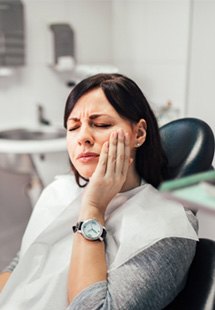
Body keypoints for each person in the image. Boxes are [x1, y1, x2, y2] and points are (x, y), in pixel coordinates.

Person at [0, 73, 198, 310]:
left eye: (101, 124)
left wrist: (93, 208)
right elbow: (23, 265)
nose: (83, 137)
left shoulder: (168, 228)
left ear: (139, 133)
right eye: (73, 127)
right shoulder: (58, 192)